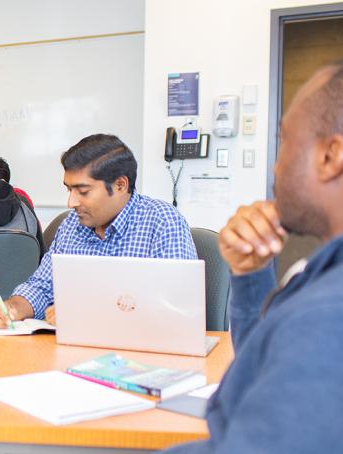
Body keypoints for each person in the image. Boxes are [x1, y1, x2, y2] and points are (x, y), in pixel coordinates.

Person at [167, 62, 343, 453]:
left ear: (331, 156)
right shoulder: (320, 278)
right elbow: (261, 366)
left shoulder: (327, 314)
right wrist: (250, 273)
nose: (276, 166)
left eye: (284, 142)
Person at [0, 134, 197, 328]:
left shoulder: (163, 222)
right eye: (69, 189)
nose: (71, 202)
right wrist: (13, 307)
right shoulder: (71, 225)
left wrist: (89, 312)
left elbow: (177, 307)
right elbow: (42, 287)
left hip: (141, 356)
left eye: (83, 191)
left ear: (121, 185)